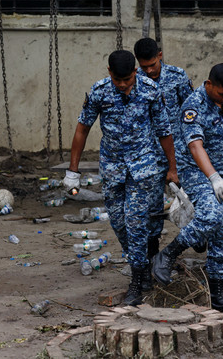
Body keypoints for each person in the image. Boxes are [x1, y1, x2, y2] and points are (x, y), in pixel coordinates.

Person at [62, 50, 178, 306]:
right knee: (119, 222)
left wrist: (172, 168)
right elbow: (83, 128)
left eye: (127, 79)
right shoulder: (100, 91)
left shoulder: (150, 90)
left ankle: (137, 280)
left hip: (143, 167)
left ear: (135, 72)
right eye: (118, 79)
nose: (123, 84)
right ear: (109, 72)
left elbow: (164, 131)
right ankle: (146, 261)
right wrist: (73, 170)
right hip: (113, 168)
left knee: (135, 221)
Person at [151, 63, 223, 314]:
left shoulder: (222, 102)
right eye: (222, 94)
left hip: (221, 174)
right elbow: (195, 146)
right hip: (198, 174)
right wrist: (213, 178)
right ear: (209, 84)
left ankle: (217, 294)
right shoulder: (193, 106)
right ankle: (168, 254)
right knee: (211, 215)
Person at [133, 38, 193, 289]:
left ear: (160, 55)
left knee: (188, 204)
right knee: (150, 212)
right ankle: (151, 262)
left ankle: (190, 246)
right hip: (146, 157)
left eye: (152, 65)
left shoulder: (178, 77)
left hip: (177, 154)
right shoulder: (133, 80)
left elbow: (191, 113)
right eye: (143, 66)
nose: (149, 71)